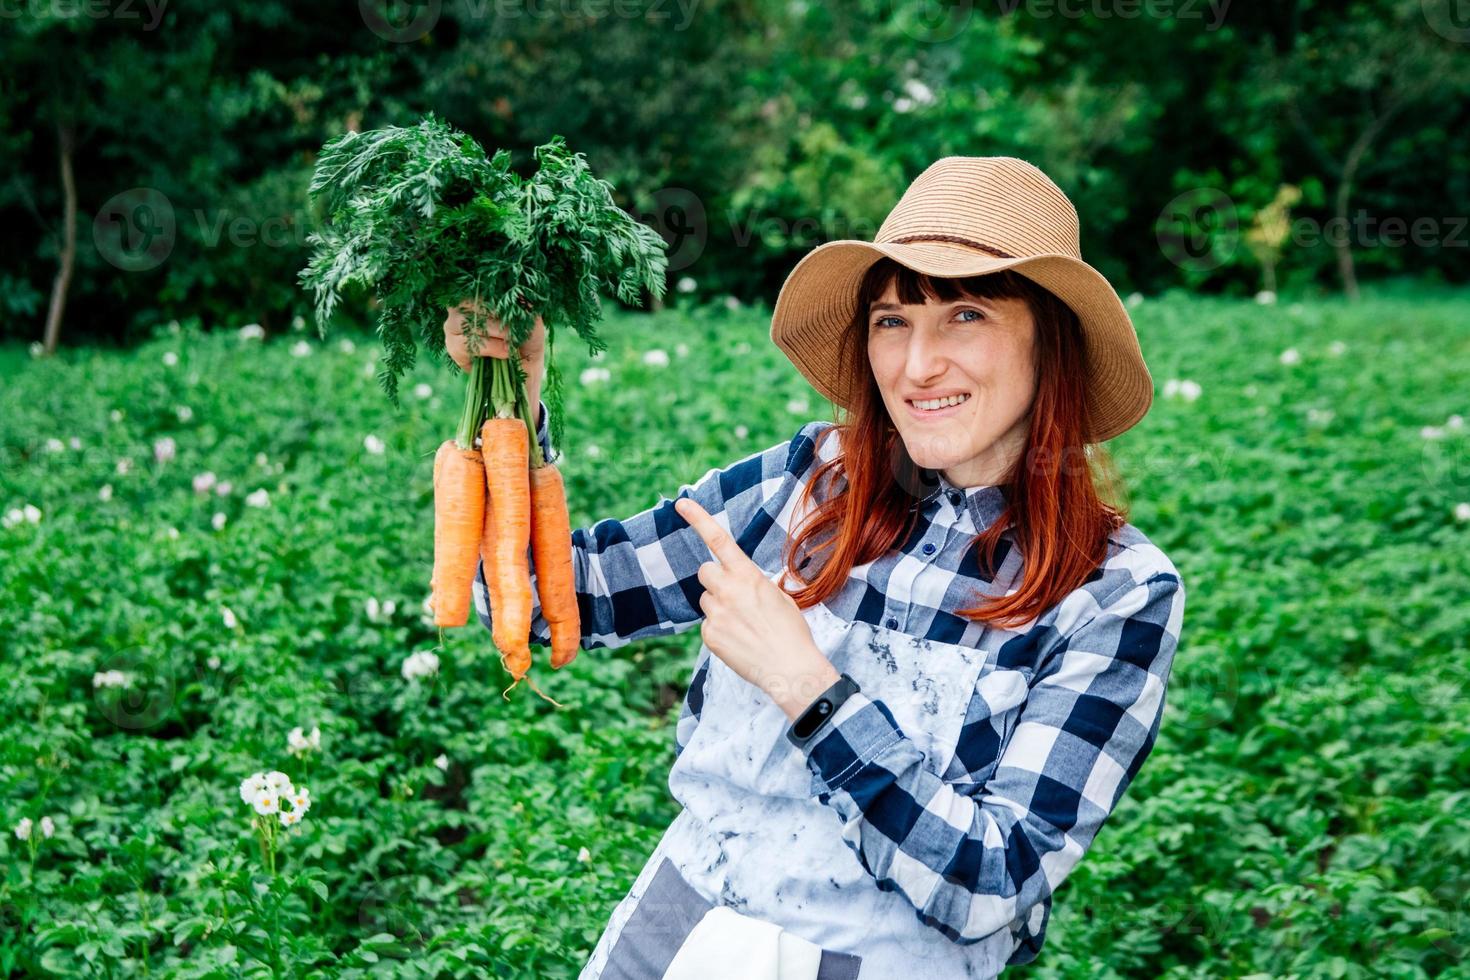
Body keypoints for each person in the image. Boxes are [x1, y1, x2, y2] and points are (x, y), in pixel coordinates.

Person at [443, 156, 1187, 979]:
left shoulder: (1115, 591)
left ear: (1054, 344)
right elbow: (554, 604)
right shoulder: (809, 480)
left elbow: (991, 883)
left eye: (966, 315)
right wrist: (512, 405)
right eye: (892, 321)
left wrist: (808, 688)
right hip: (671, 936)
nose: (915, 367)